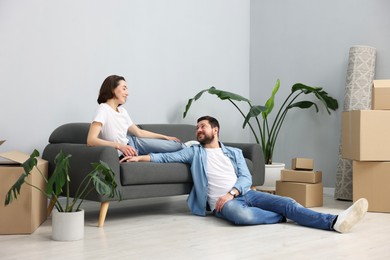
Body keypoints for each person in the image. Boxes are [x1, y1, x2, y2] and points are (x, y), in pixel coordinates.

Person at [122, 115, 368, 233]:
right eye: (197, 127)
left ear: (215, 130)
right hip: (221, 205)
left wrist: (232, 192)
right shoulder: (193, 152)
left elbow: (246, 178)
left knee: (288, 202)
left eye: (203, 127)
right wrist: (139, 157)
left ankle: (334, 222)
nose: (198, 130)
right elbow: (165, 157)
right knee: (240, 216)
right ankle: (282, 217)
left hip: (245, 194)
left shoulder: (234, 153)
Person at [87, 75, 185, 158]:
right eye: (124, 88)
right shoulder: (103, 109)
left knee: (176, 146)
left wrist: (165, 137)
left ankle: (193, 146)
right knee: (175, 148)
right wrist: (119, 146)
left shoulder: (122, 111)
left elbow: (139, 132)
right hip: (126, 149)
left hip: (134, 143)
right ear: (112, 89)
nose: (127, 93)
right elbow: (91, 140)